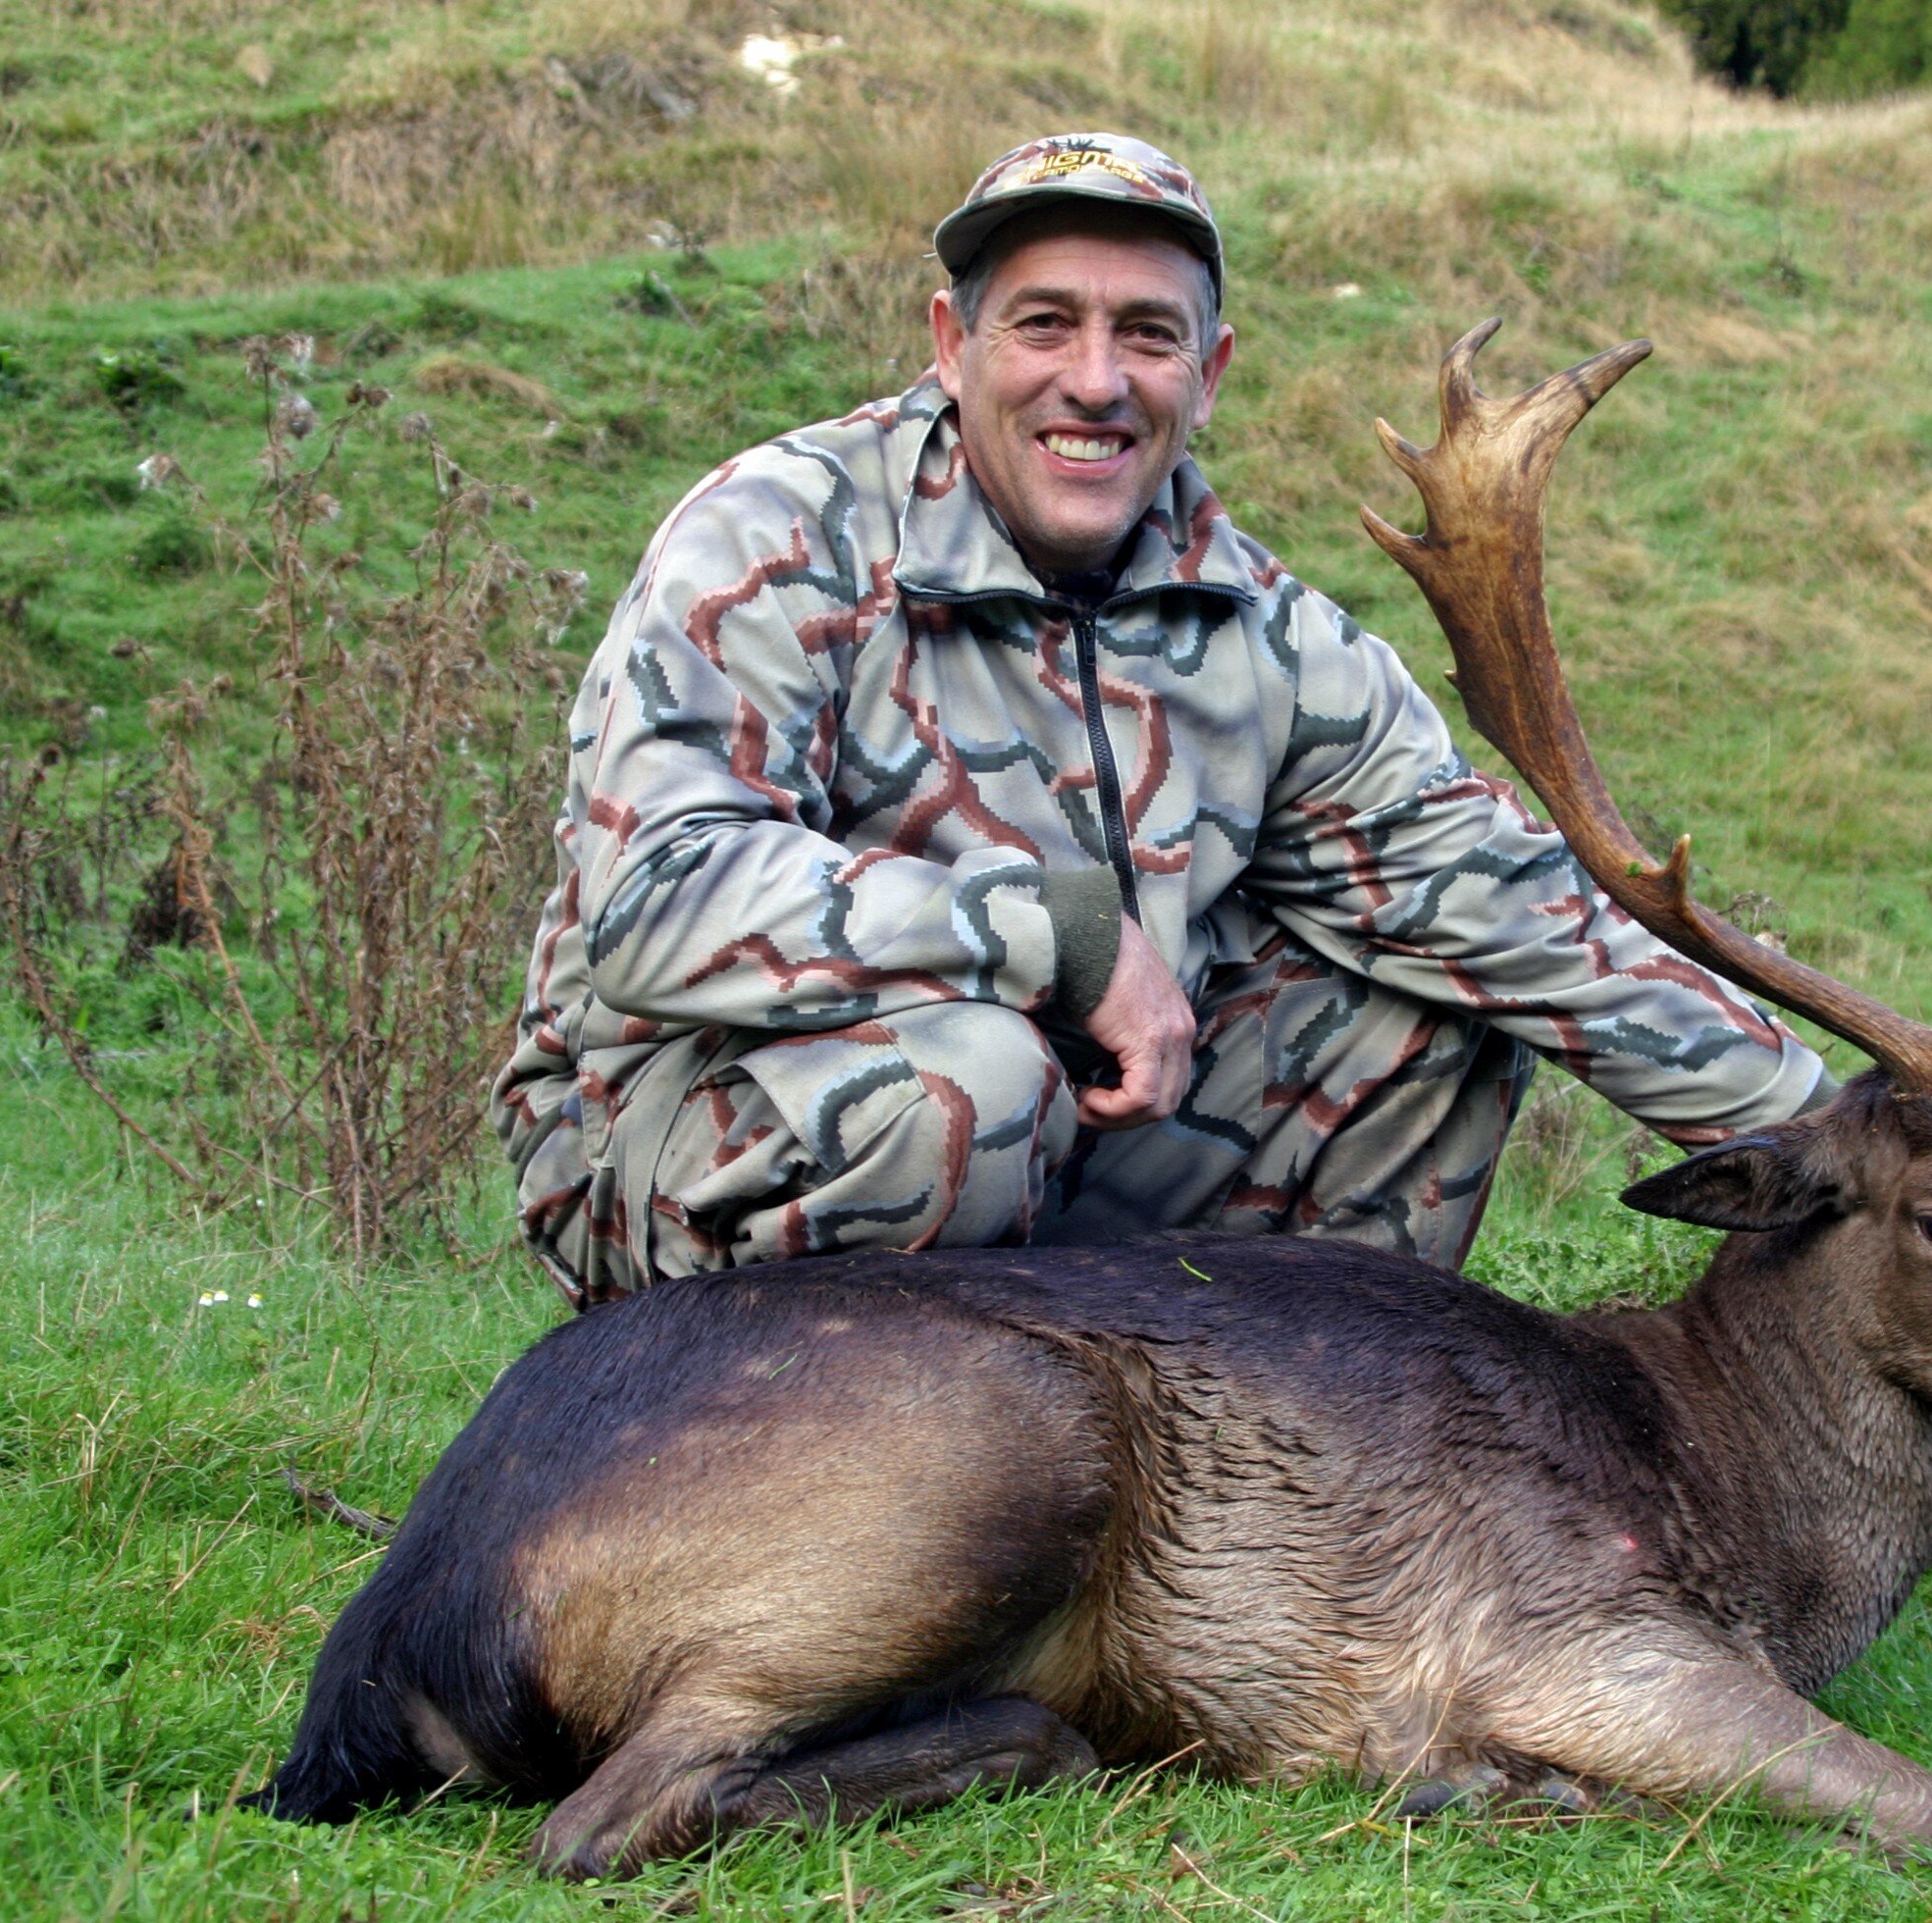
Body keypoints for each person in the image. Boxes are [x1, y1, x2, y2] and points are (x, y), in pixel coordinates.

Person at [494, 132, 1828, 1307]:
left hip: (1072, 1157)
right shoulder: (782, 534)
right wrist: (1062, 935)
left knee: (1435, 1021)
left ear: (1210, 370)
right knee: (969, 1078)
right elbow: (654, 897)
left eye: (1145, 333)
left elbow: (1515, 917)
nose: (1094, 380)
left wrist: (1858, 1133)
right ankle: (812, 1510)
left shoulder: (1264, 636)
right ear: (953, 346)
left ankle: (1287, 1497)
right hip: (680, 1148)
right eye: (1042, 324)